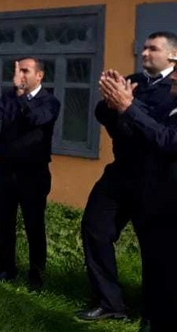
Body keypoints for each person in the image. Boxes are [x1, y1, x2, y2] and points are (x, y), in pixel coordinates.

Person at [77, 32, 176, 322]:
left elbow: (161, 130)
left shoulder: (172, 90)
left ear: (172, 55)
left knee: (154, 246)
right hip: (121, 171)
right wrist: (111, 100)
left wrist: (128, 105)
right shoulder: (134, 80)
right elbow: (103, 114)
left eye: (152, 49)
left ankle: (154, 307)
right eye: (143, 48)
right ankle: (110, 302)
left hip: (154, 179)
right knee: (95, 228)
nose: (144, 53)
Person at [99, 65, 177, 332]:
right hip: (157, 200)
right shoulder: (170, 107)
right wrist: (123, 102)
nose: (174, 77)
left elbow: (167, 139)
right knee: (157, 267)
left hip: (171, 208)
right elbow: (150, 123)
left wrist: (128, 106)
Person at [0, 58, 60, 290]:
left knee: (34, 225)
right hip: (6, 171)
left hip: (33, 173)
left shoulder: (50, 102)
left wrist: (22, 94)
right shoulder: (10, 97)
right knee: (5, 224)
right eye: (18, 71)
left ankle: (36, 277)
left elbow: (36, 119)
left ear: (39, 75)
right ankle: (6, 269)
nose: (20, 75)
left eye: (25, 71)